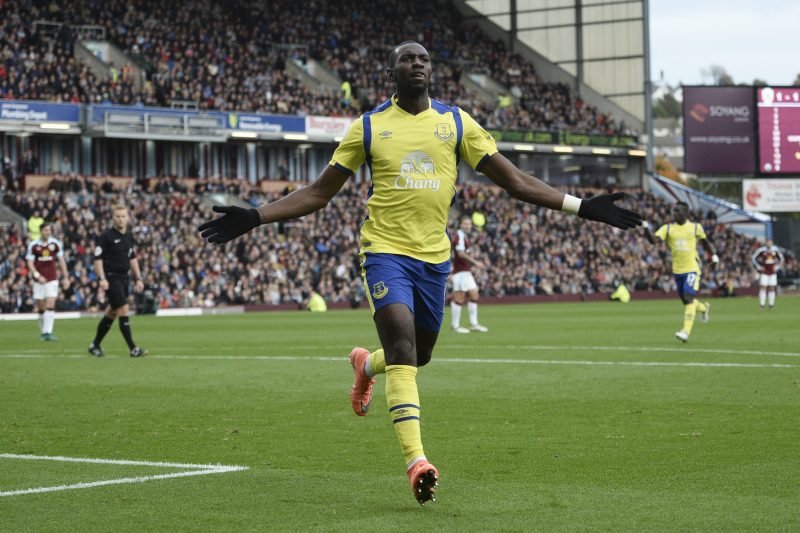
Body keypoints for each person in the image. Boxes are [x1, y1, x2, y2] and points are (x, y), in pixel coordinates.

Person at [198, 41, 642, 505]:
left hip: (434, 260)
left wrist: (581, 206)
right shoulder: (368, 127)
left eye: (424, 59)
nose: (417, 64)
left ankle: (365, 365)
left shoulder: (456, 123)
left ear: (432, 71)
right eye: (407, 59)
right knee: (405, 350)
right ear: (392, 71)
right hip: (384, 253)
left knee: (418, 354)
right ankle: (417, 462)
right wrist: (255, 216)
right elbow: (318, 193)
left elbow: (515, 181)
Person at [643, 201, 718, 342]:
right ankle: (703, 308)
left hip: (692, 268)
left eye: (678, 211)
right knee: (686, 301)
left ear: (685, 213)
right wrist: (645, 227)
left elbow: (705, 243)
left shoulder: (695, 227)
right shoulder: (668, 228)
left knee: (688, 297)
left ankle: (685, 332)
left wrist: (713, 257)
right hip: (677, 270)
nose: (675, 214)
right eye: (674, 211)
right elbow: (653, 241)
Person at [88, 204, 148, 357]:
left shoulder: (128, 237)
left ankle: (95, 345)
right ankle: (133, 349)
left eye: (123, 216)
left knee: (112, 312)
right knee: (124, 309)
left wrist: (139, 278)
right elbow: (98, 258)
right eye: (118, 216)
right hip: (111, 277)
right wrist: (101, 278)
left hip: (124, 278)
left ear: (127, 218)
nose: (121, 219)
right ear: (113, 218)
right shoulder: (106, 236)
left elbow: (132, 257)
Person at [25, 222, 69, 340]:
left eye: (49, 230)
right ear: (41, 231)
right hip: (38, 280)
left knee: (50, 304)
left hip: (52, 279)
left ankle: (47, 332)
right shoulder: (33, 245)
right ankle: (43, 332)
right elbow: (29, 262)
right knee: (41, 306)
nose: (48, 232)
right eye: (46, 230)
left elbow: (61, 260)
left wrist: (65, 277)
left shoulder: (56, 244)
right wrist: (37, 275)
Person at [450, 216, 488, 333]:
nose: (468, 226)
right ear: (460, 224)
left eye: (469, 224)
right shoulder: (459, 235)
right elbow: (460, 254)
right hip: (460, 272)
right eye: (465, 224)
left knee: (474, 295)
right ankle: (455, 325)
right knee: (459, 297)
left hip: (466, 271)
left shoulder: (464, 236)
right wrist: (476, 262)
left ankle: (474, 323)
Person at [751, 238, 784, 310]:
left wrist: (777, 267)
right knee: (763, 287)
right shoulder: (761, 250)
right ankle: (762, 305)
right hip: (764, 272)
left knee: (772, 288)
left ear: (772, 243)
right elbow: (753, 258)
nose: (769, 244)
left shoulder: (775, 250)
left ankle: (771, 305)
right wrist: (759, 267)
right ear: (766, 243)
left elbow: (781, 259)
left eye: (770, 242)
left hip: (772, 272)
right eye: (768, 242)